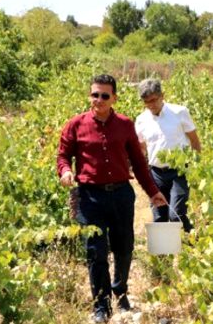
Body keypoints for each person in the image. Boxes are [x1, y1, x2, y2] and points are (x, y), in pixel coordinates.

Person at [57, 74, 167, 323]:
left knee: (124, 248)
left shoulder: (125, 125)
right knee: (95, 252)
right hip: (89, 197)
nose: (99, 100)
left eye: (105, 95)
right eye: (95, 94)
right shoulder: (75, 125)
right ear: (89, 96)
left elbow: (139, 164)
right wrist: (64, 171)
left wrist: (153, 192)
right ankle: (101, 304)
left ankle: (121, 291)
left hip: (120, 195)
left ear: (114, 98)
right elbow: (63, 156)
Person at [135, 79, 201, 233]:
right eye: (146, 102)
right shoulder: (141, 120)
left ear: (162, 96)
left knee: (175, 213)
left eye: (153, 100)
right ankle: (164, 255)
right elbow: (142, 149)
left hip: (179, 171)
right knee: (159, 217)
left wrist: (197, 169)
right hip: (156, 173)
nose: (151, 105)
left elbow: (194, 141)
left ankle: (190, 239)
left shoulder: (179, 112)